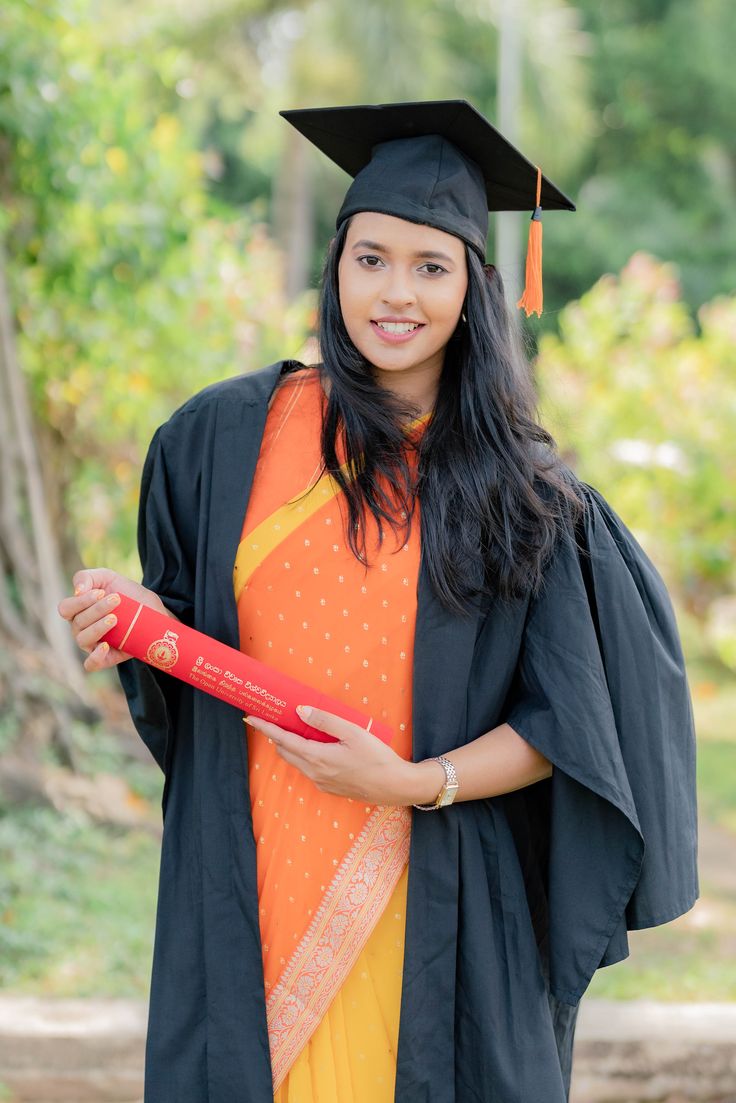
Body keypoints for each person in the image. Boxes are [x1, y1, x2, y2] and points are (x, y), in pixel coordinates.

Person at [58, 100, 698, 1103]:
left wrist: (413, 782)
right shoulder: (222, 438)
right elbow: (187, 631)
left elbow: (569, 723)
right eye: (370, 259)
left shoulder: (526, 495)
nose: (394, 293)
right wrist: (131, 620)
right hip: (251, 871)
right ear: (336, 266)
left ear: (473, 287)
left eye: (429, 266)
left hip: (435, 896)